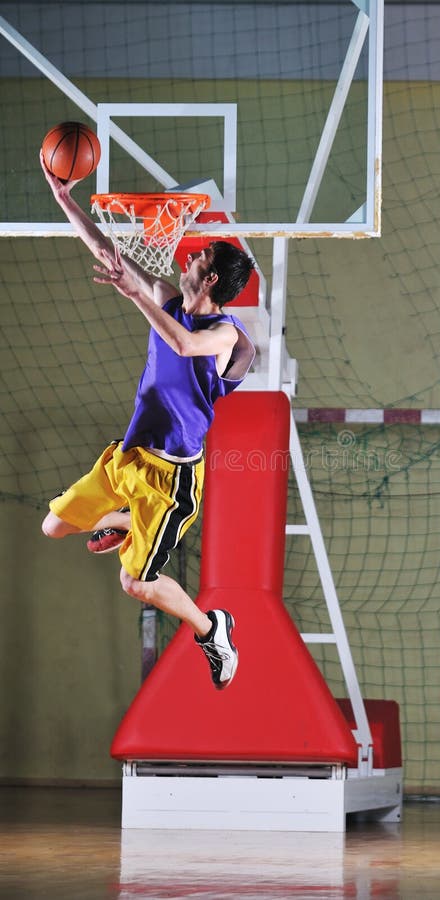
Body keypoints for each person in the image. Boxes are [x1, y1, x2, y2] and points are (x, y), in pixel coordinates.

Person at [39, 150, 256, 690]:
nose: (187, 258)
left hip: (171, 477)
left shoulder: (225, 333)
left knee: (135, 582)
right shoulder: (168, 298)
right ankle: (124, 522)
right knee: (54, 526)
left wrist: (135, 293)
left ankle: (212, 629)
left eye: (198, 257)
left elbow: (183, 345)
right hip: (130, 456)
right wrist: (65, 201)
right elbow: (107, 249)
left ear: (209, 281)